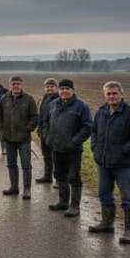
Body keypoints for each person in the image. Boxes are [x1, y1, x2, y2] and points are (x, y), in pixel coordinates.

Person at [88, 81, 130, 243]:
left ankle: (129, 231)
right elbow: (94, 131)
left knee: (127, 197)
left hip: (123, 165)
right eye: (108, 93)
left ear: (121, 94)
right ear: (105, 95)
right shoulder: (101, 112)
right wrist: (96, 148)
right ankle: (107, 223)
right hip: (103, 163)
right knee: (104, 194)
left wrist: (124, 151)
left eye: (114, 93)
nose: (111, 96)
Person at [42, 79, 92, 217]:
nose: (64, 91)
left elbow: (87, 127)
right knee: (59, 175)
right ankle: (63, 201)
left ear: (72, 90)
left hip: (73, 150)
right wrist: (48, 137)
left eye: (67, 88)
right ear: (58, 90)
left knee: (74, 178)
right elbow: (45, 122)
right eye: (62, 88)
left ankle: (75, 206)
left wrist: (75, 140)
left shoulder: (81, 106)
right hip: (56, 148)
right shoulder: (52, 105)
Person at [0, 75, 38, 199]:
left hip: (24, 139)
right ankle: (14, 187)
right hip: (9, 138)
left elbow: (34, 117)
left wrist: (28, 129)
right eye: (13, 84)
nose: (16, 86)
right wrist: (2, 129)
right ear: (10, 85)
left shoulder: (29, 99)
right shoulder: (4, 98)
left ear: (21, 85)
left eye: (18, 84)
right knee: (11, 164)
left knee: (26, 165)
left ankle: (27, 189)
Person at [35, 78, 59, 185]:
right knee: (46, 155)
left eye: (52, 86)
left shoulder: (59, 100)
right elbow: (41, 116)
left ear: (56, 88)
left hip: (54, 134)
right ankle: (47, 175)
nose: (49, 88)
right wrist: (39, 130)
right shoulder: (43, 98)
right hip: (43, 133)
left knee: (56, 157)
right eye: (47, 86)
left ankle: (58, 179)